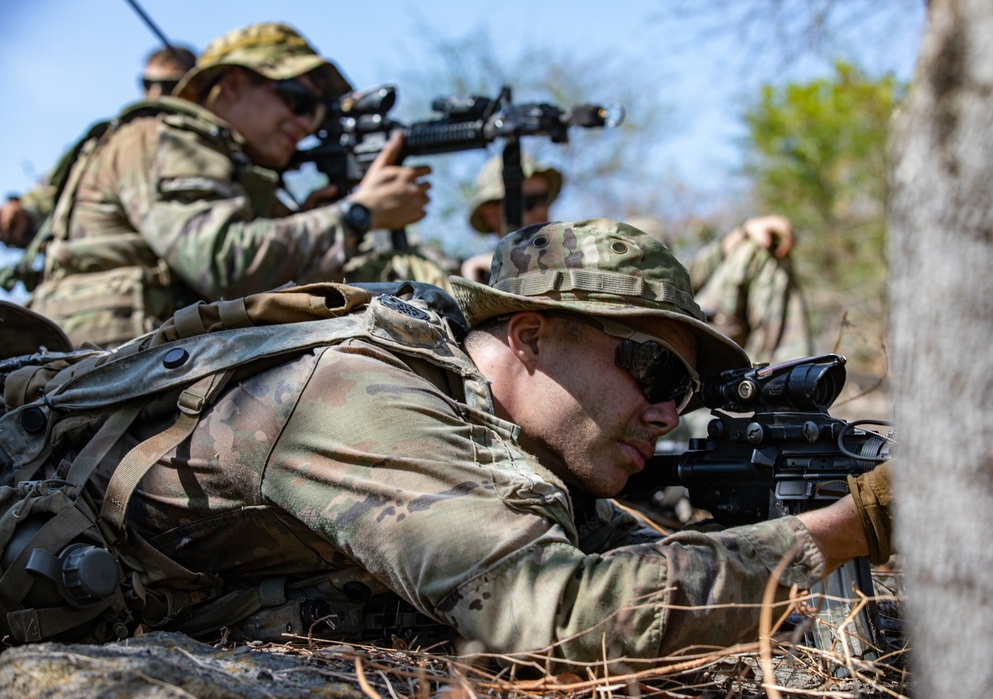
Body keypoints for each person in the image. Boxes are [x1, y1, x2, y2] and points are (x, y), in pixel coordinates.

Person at [38, 218, 891, 661]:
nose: (671, 412)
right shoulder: (361, 391)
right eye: (653, 375)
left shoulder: (519, 452)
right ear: (527, 336)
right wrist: (853, 527)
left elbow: (637, 578)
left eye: (688, 393)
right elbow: (552, 614)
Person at [25, 23, 432, 349]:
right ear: (233, 86)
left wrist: (319, 224)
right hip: (101, 367)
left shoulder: (229, 170)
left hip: (149, 362)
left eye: (317, 112)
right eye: (297, 101)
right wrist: (355, 214)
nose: (306, 123)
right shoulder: (169, 137)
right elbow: (221, 263)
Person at [0, 45, 197, 254]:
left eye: (169, 86)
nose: (155, 94)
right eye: (148, 84)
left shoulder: (201, 145)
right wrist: (23, 212)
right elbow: (55, 191)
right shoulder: (105, 142)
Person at [687, 214, 812, 365]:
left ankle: (786, 378)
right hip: (672, 342)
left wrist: (744, 233)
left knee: (756, 250)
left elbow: (682, 275)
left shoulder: (652, 234)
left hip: (700, 325)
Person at [460, 154, 562, 283]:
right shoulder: (480, 272)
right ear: (490, 214)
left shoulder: (574, 251)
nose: (540, 209)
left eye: (544, 198)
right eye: (528, 202)